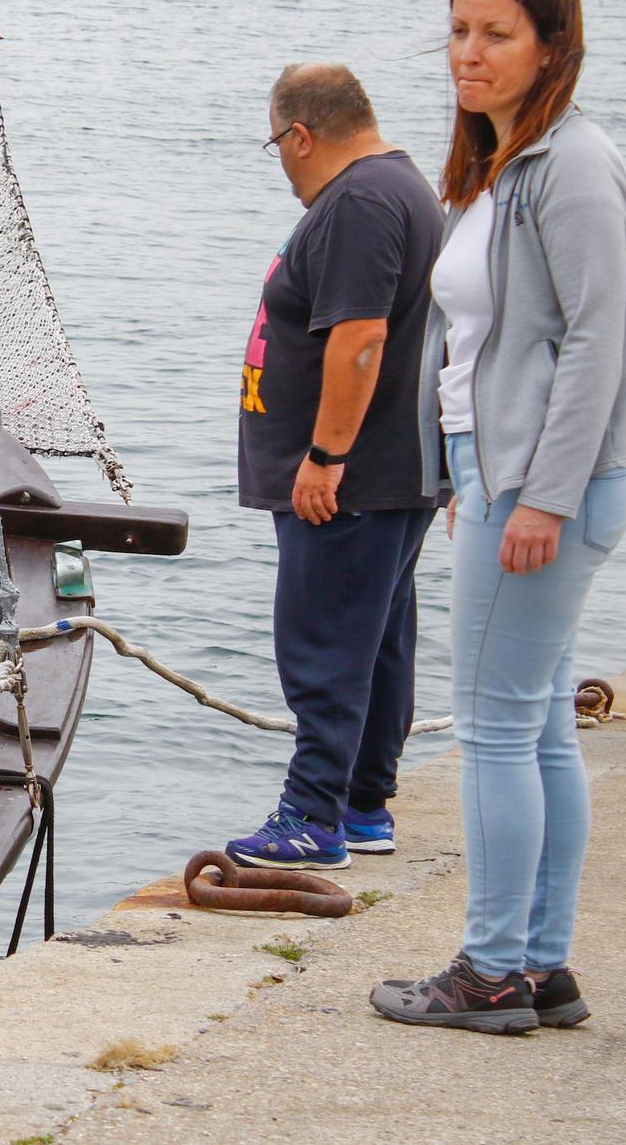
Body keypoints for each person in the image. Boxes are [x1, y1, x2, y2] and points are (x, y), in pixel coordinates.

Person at [373, 0, 626, 1035]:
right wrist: (457, 469)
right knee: (534, 729)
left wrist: (539, 496)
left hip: (538, 487)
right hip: (502, 474)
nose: (467, 54)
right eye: (458, 30)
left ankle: (486, 970)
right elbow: (483, 342)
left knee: (490, 728)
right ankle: (538, 964)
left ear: (550, 48)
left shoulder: (570, 164)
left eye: (495, 35)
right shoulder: (506, 161)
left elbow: (597, 342)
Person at [226, 64, 445, 870]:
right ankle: (363, 802)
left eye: (277, 145)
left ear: (301, 135)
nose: (282, 163)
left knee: (321, 641)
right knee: (377, 636)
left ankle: (313, 813)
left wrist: (324, 457)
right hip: (389, 469)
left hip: (352, 477)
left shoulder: (357, 202)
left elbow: (360, 338)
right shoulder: (399, 188)